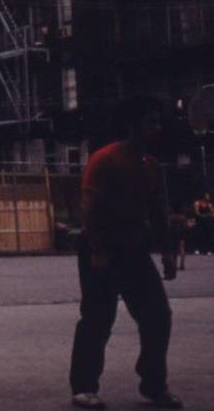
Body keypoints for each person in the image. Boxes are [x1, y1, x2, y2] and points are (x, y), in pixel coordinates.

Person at [69, 96, 183, 410]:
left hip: (133, 249)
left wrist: (168, 253)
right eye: (151, 122)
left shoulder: (149, 165)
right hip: (101, 248)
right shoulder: (105, 159)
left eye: (158, 122)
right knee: (97, 318)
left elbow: (158, 211)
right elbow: (88, 209)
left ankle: (154, 384)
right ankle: (83, 387)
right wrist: (97, 250)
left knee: (158, 316)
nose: (157, 128)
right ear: (134, 126)